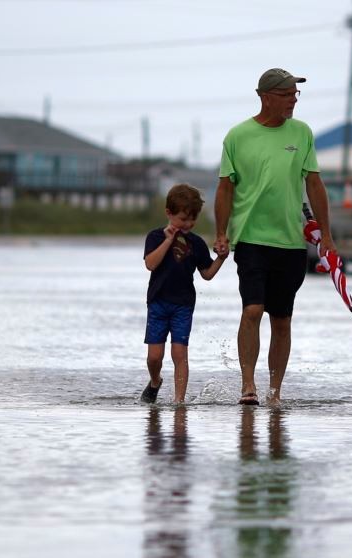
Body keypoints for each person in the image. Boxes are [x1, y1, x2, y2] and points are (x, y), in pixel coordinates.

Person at [214, 68, 336, 407]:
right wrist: (221, 233)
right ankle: (248, 386)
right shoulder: (238, 136)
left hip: (291, 242)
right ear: (265, 96)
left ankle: (275, 392)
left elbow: (314, 184)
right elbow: (225, 188)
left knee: (282, 319)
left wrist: (326, 235)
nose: (294, 100)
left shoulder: (302, 133)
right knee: (252, 309)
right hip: (251, 238)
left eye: (296, 94)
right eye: (287, 94)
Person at [141, 184, 229, 405]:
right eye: (182, 219)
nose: (188, 224)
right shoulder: (154, 237)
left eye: (193, 219)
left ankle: (179, 402)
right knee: (154, 357)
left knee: (180, 354)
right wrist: (168, 240)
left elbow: (207, 274)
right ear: (168, 213)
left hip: (183, 305)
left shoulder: (197, 244)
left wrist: (221, 259)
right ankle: (155, 381)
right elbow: (151, 264)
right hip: (158, 303)